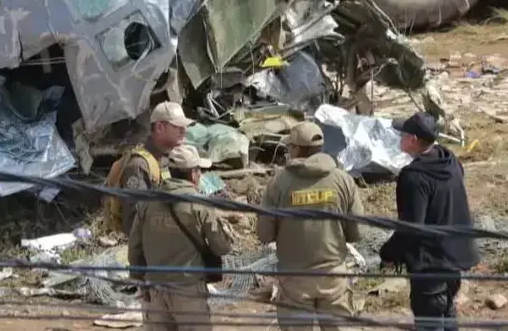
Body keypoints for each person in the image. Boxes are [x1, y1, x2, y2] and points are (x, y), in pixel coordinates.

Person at [257, 121, 364, 330]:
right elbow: (357, 231)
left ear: (296, 149)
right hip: (334, 276)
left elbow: (265, 234)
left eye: (290, 148)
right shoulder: (343, 180)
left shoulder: (278, 183)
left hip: (294, 280)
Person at [379, 112, 479, 331]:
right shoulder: (449, 160)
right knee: (447, 313)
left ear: (413, 140)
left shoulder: (414, 176)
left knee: (430, 322)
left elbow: (411, 227)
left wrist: (388, 254)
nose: (399, 138)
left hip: (430, 266)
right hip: (454, 259)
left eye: (402, 134)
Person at [128, 144, 232, 331]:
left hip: (155, 288)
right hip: (188, 290)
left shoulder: (148, 202)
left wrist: (140, 281)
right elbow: (221, 247)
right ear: (193, 174)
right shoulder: (199, 204)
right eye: (199, 170)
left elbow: (135, 247)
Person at [103, 101, 193, 236]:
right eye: (177, 126)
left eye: (183, 126)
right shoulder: (138, 165)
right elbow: (134, 220)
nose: (183, 131)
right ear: (159, 127)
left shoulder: (162, 157)